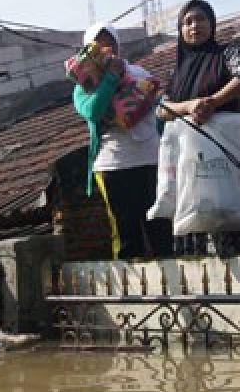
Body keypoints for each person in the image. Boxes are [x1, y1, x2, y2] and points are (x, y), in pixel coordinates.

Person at [158, 0, 240, 257]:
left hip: (224, 148)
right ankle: (200, 289)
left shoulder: (227, 53)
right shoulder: (177, 72)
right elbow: (162, 109)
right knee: (192, 210)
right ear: (180, 30)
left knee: (229, 208)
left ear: (212, 24)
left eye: (201, 19)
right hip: (187, 156)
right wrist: (190, 106)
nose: (195, 26)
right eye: (187, 22)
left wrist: (213, 102)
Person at [73, 22, 174, 261]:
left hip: (150, 159)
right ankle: (133, 296)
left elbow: (157, 118)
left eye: (110, 42)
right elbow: (93, 111)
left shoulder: (142, 75)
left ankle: (175, 292)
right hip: (113, 165)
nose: (106, 48)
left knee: (160, 230)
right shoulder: (83, 85)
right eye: (98, 43)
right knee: (126, 236)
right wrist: (109, 78)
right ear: (89, 50)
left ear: (118, 45)